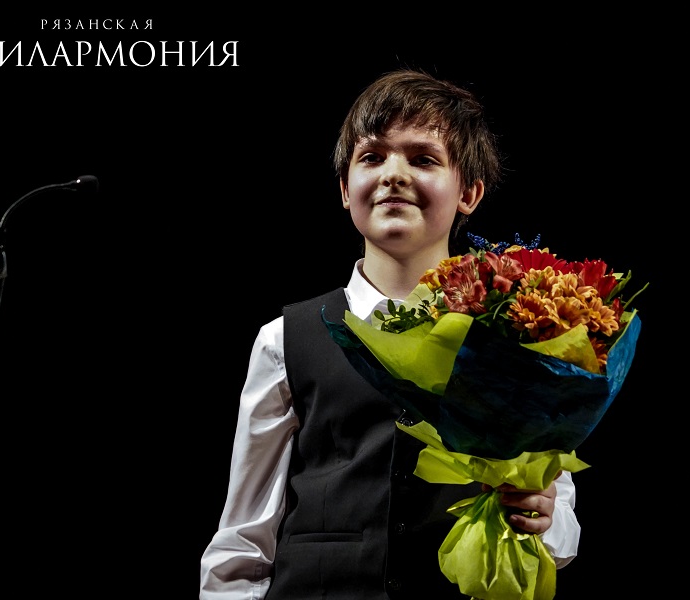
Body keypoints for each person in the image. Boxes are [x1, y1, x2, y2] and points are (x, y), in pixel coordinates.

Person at [199, 68, 581, 599]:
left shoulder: (513, 337)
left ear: (469, 192)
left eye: (423, 159)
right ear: (344, 188)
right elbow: (243, 539)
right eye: (372, 157)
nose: (394, 174)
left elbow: (561, 531)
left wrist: (541, 515)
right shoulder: (285, 339)